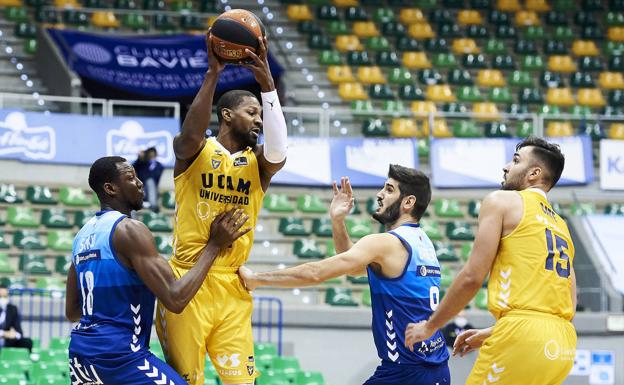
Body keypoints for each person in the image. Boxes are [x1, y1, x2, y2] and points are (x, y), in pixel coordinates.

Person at [155, 31, 287, 385]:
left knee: (243, 382)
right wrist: (213, 72)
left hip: (233, 285)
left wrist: (268, 88)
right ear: (226, 115)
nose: (259, 120)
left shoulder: (257, 163)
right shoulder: (195, 153)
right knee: (185, 380)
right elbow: (188, 138)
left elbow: (279, 152)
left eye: (261, 114)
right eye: (251, 112)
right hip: (187, 279)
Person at [240, 165, 451, 385]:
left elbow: (315, 273)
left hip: (404, 372)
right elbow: (353, 265)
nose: (380, 194)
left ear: (408, 202)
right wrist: (338, 221)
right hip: (438, 369)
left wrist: (257, 279)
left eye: (389, 189)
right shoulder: (424, 243)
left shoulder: (384, 242)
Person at [405, 136, 577, 385]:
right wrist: (492, 333)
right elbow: (568, 304)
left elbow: (472, 277)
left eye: (516, 160)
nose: (506, 166)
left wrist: (430, 327)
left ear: (534, 173)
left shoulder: (502, 201)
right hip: (562, 345)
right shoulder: (561, 226)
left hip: (521, 337)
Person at [65, 156, 250, 384]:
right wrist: (214, 246)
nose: (140, 183)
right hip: (119, 354)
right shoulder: (129, 230)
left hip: (81, 355)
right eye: (131, 177)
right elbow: (175, 298)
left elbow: (72, 310)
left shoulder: (81, 236)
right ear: (110, 188)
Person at [0, 284, 33, 352]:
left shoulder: (12, 309)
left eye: (5, 296)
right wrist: (3, 333)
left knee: (27, 342)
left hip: (7, 340)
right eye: (0, 296)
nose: (2, 299)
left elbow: (19, 332)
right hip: (3, 337)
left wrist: (15, 335)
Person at [133, 147, 164, 212]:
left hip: (153, 190)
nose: (151, 156)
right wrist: (139, 158)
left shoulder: (159, 166)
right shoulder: (142, 164)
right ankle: (152, 205)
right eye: (150, 154)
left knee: (150, 181)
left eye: (153, 154)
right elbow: (134, 166)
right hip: (141, 188)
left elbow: (156, 178)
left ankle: (153, 206)